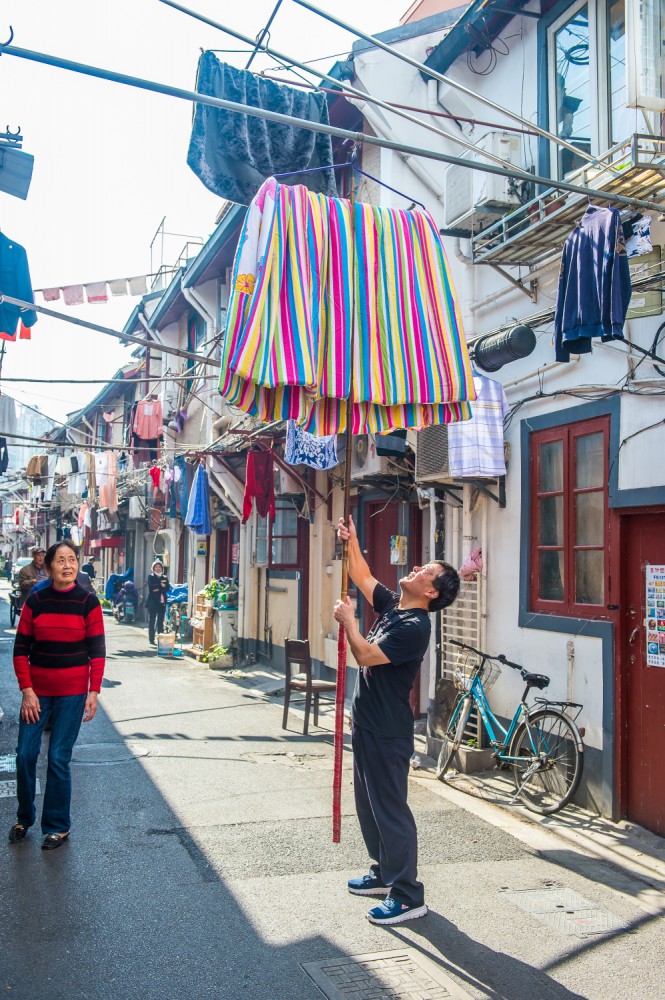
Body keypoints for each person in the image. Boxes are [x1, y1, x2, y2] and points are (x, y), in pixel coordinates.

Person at [334, 515, 460, 926]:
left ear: (431, 590)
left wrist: (350, 623)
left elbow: (366, 656)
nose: (417, 567)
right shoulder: (394, 605)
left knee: (391, 811)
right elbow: (363, 574)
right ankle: (383, 873)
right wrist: (351, 540)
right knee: (368, 807)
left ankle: (407, 894)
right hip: (367, 723)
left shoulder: (415, 626)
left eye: (426, 570)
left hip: (389, 733)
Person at [8, 540, 106, 850]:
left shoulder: (88, 602)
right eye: (60, 560)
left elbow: (97, 652)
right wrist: (27, 691)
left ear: (78, 564)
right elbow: (21, 650)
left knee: (58, 758)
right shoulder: (36, 601)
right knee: (24, 754)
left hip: (73, 693)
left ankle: (57, 827)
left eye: (72, 559)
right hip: (36, 694)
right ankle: (24, 816)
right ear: (49, 566)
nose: (67, 565)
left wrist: (93, 692)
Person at [145, 560, 169, 644]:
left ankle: (160, 639)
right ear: (153, 568)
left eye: (159, 567)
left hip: (162, 602)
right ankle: (151, 639)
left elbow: (167, 588)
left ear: (162, 568)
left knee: (160, 621)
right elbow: (152, 588)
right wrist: (160, 586)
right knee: (152, 621)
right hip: (153, 602)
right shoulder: (151, 576)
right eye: (156, 567)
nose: (158, 568)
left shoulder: (165, 577)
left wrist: (159, 587)